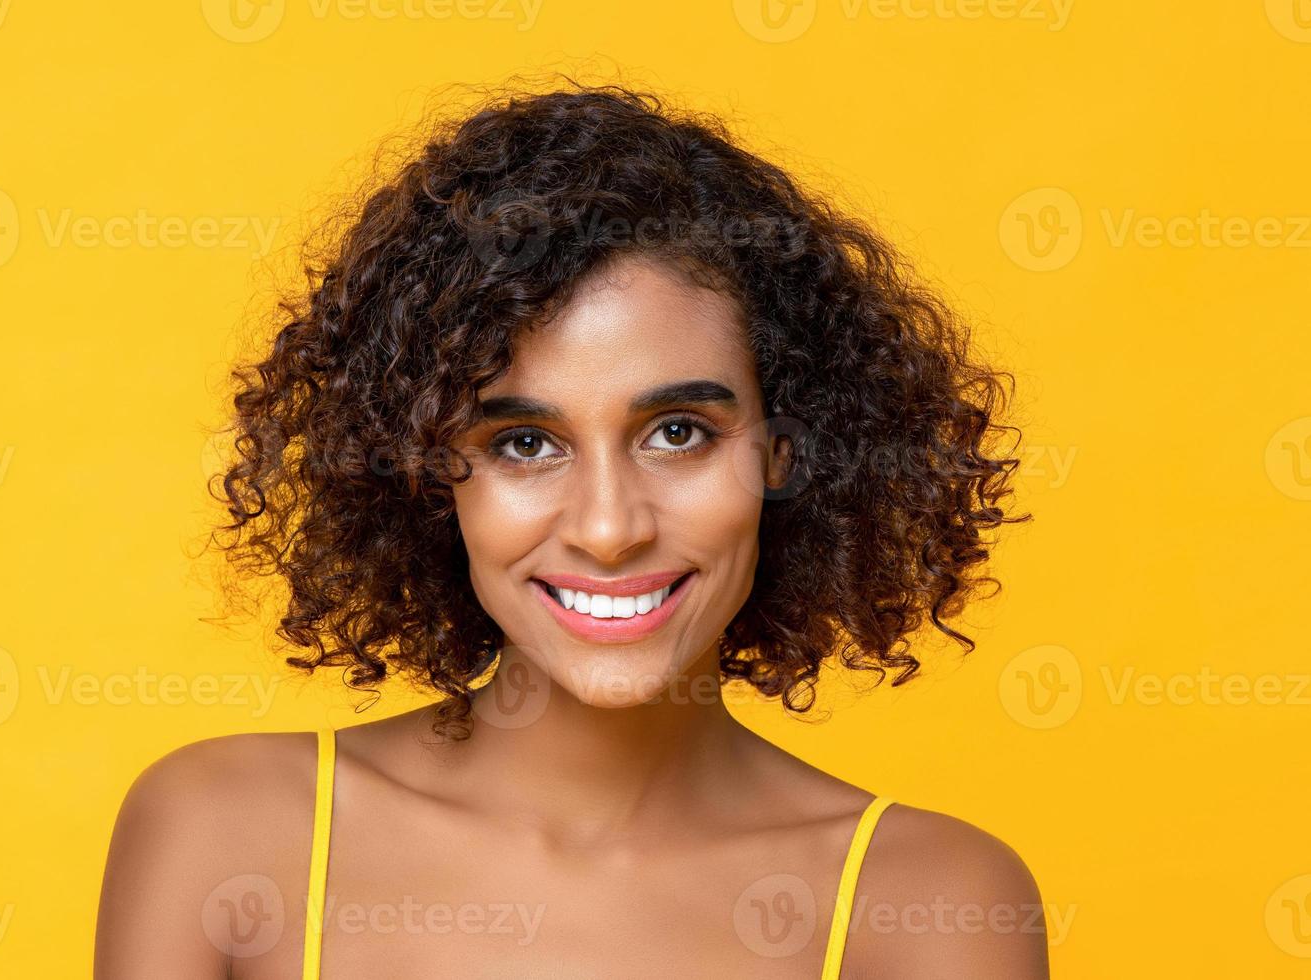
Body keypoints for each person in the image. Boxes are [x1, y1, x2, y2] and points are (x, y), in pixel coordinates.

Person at [95, 82, 1047, 979]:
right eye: (523, 442)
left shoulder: (932, 907)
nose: (607, 528)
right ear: (428, 465)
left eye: (678, 434)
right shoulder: (226, 834)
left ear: (785, 451)